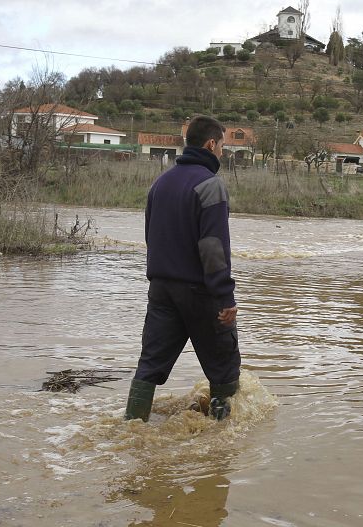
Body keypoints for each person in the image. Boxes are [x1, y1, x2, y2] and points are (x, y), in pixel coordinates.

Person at [125, 116, 239, 421]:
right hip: (201, 291)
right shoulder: (210, 186)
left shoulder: (160, 183)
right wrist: (225, 298)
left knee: (150, 364)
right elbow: (213, 249)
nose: (223, 153)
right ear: (210, 144)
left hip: (161, 289)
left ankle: (131, 428)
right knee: (223, 364)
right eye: (223, 146)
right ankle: (222, 445)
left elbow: (152, 237)